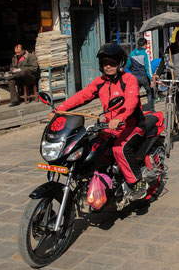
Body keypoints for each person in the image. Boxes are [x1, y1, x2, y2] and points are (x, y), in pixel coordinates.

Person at [54, 43, 148, 200]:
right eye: (105, 64)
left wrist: (120, 118)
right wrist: (60, 109)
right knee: (89, 147)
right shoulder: (101, 82)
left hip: (132, 126)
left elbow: (132, 101)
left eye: (112, 63)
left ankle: (136, 183)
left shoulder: (129, 79)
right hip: (109, 127)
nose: (108, 67)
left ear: (120, 63)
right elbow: (82, 96)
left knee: (119, 149)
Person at [126, 38, 155, 112]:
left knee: (135, 94)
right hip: (144, 77)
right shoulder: (145, 54)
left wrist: (133, 72)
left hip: (134, 77)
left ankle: (136, 109)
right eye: (146, 45)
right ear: (145, 45)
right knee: (150, 92)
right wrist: (151, 79)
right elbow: (148, 67)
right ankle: (151, 109)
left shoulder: (132, 53)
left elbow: (128, 65)